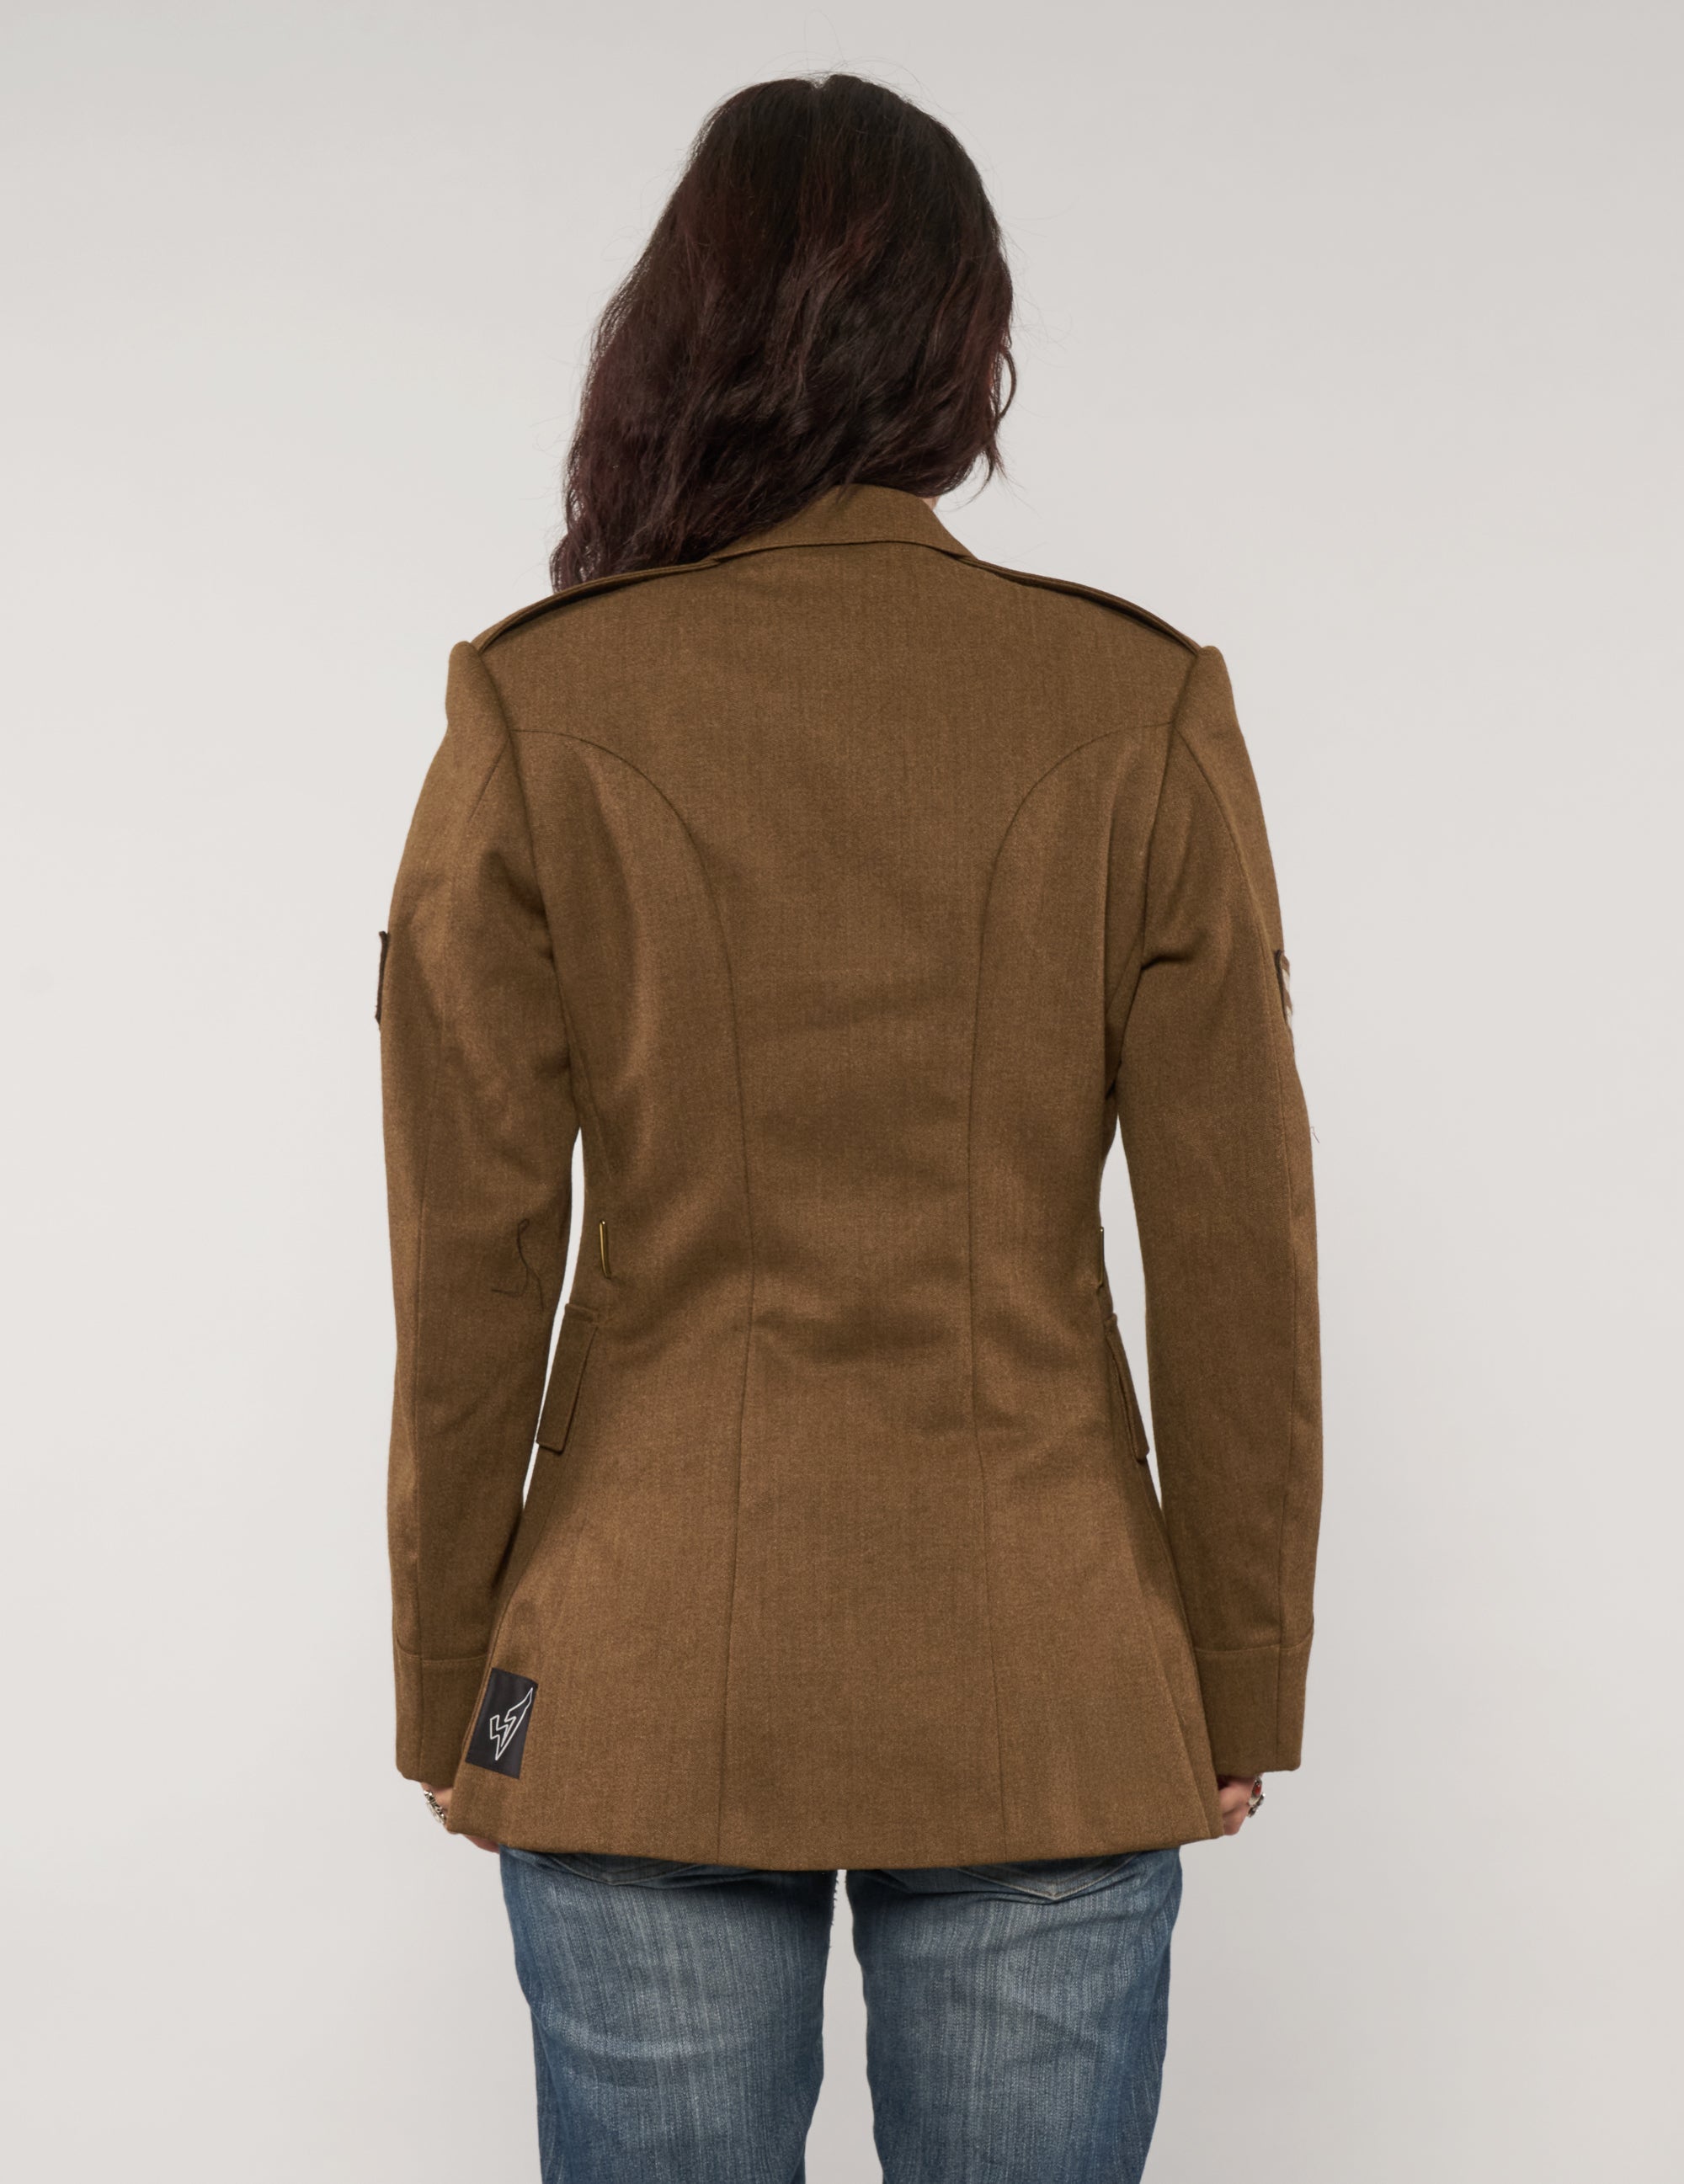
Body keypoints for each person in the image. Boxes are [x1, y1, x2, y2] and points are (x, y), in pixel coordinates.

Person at [376, 69, 1320, 2184]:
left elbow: (469, 1259)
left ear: (673, 330)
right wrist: (1236, 1670)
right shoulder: (1136, 705)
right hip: (1053, 1679)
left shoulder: (538, 707)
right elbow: (1240, 1251)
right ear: (966, 347)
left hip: (634, 1684)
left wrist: (452, 1672)